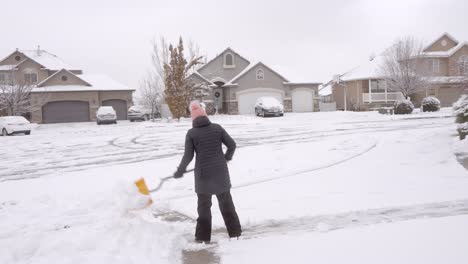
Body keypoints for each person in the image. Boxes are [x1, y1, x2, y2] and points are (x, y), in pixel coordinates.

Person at [173, 101, 242, 243]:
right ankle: (235, 234)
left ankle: (203, 238)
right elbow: (232, 145)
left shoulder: (191, 133)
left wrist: (180, 170)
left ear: (193, 118)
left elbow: (188, 156)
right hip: (220, 174)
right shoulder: (217, 128)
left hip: (203, 176)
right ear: (205, 115)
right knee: (227, 204)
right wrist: (226, 158)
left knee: (204, 208)